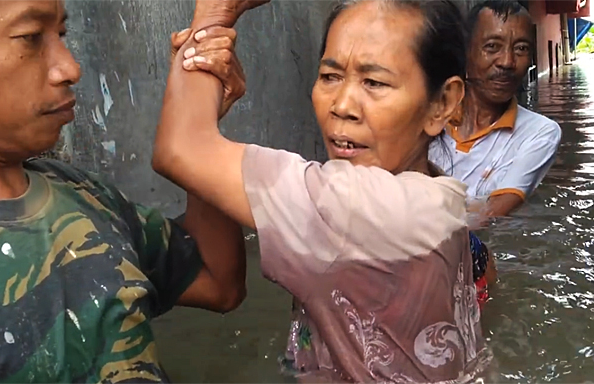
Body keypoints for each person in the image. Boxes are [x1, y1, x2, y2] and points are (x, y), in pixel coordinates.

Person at [154, 0, 492, 382]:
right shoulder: (432, 195)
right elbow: (222, 289)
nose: (342, 105)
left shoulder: (362, 209)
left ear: (443, 104)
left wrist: (214, 16)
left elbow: (180, 149)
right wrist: (207, 107)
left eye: (374, 83)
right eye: (330, 76)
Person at [0, 0, 248, 382]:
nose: (70, 68)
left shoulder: (82, 193)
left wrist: (200, 126)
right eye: (29, 37)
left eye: (61, 34)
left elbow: (220, 283)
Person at [429, 0, 562, 220]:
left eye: (521, 48)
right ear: (466, 52)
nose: (507, 62)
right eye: (492, 46)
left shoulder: (539, 133)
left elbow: (492, 213)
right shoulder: (429, 117)